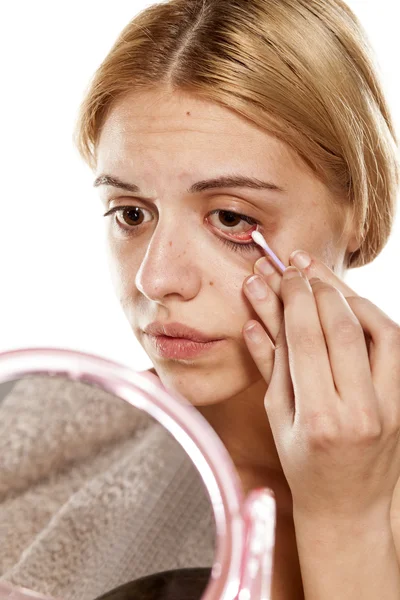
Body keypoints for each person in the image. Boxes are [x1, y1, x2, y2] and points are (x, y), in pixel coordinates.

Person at [2, 0, 400, 598]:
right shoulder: (33, 449)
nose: (156, 279)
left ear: (359, 215)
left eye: (232, 218)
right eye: (131, 213)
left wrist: (345, 523)